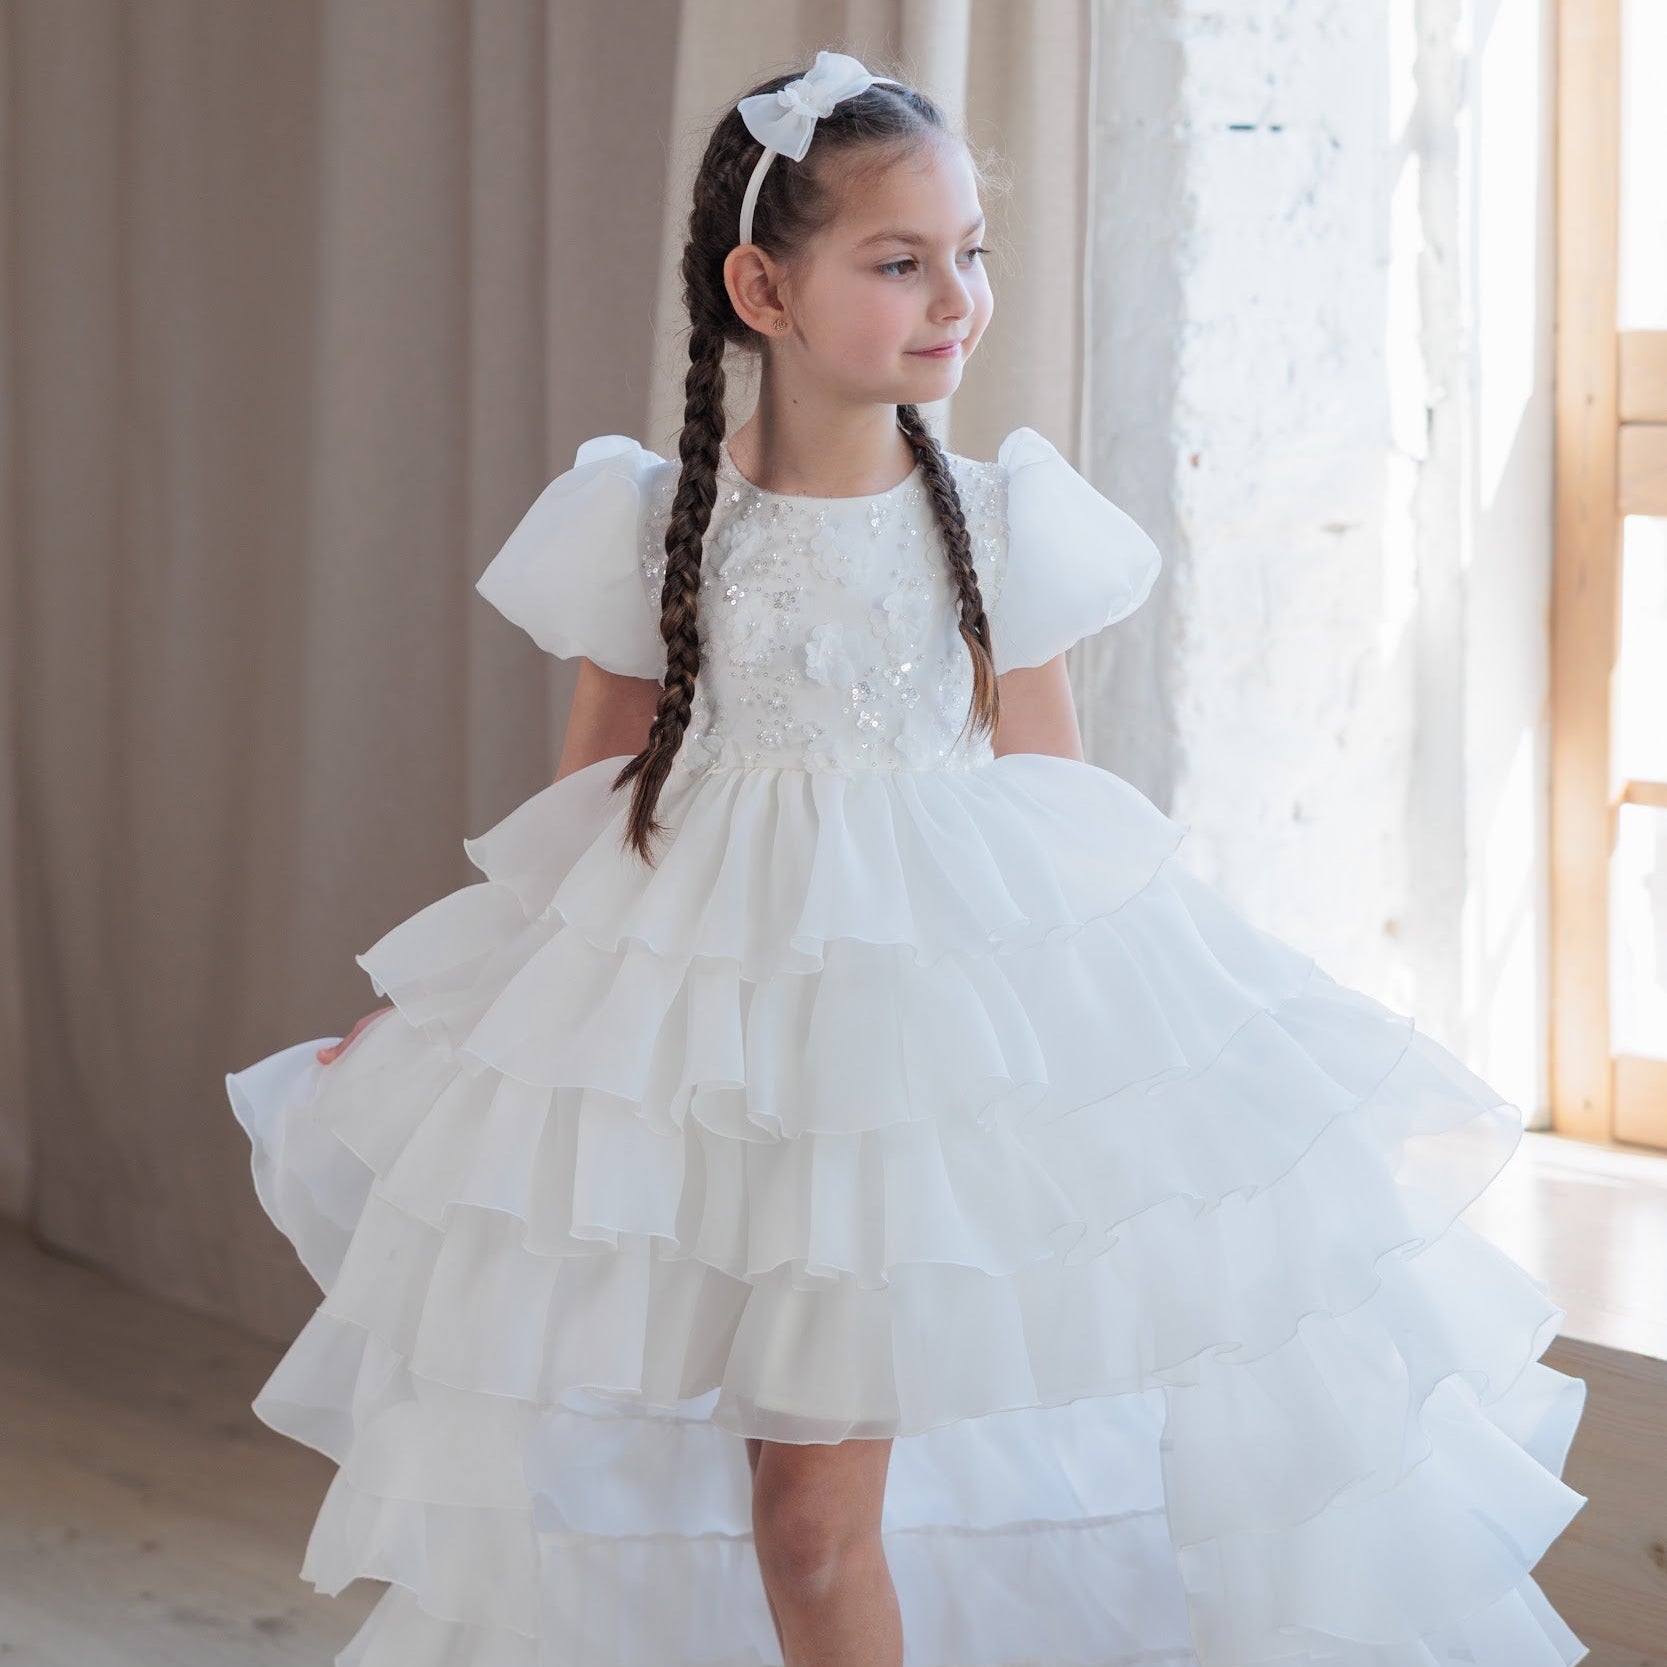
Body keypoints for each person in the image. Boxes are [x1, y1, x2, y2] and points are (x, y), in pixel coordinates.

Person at [226, 48, 1590, 1667]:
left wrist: (1156, 1072)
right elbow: (588, 811)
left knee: (813, 1516)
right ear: (763, 288)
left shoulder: (1004, 526)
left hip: (914, 1080)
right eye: (900, 262)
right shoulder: (653, 525)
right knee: (736, 1500)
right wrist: (453, 1022)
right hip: (718, 1071)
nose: (958, 298)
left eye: (971, 254)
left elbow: (1059, 818)